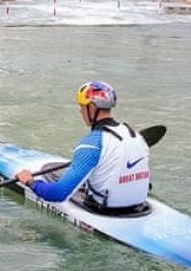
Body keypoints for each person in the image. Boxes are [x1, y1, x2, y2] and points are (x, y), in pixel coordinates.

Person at [15, 81, 150, 211]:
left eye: (82, 106)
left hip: (105, 209)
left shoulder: (92, 144)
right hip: (138, 206)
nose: (80, 112)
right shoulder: (135, 135)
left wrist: (30, 182)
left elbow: (58, 194)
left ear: (91, 107)